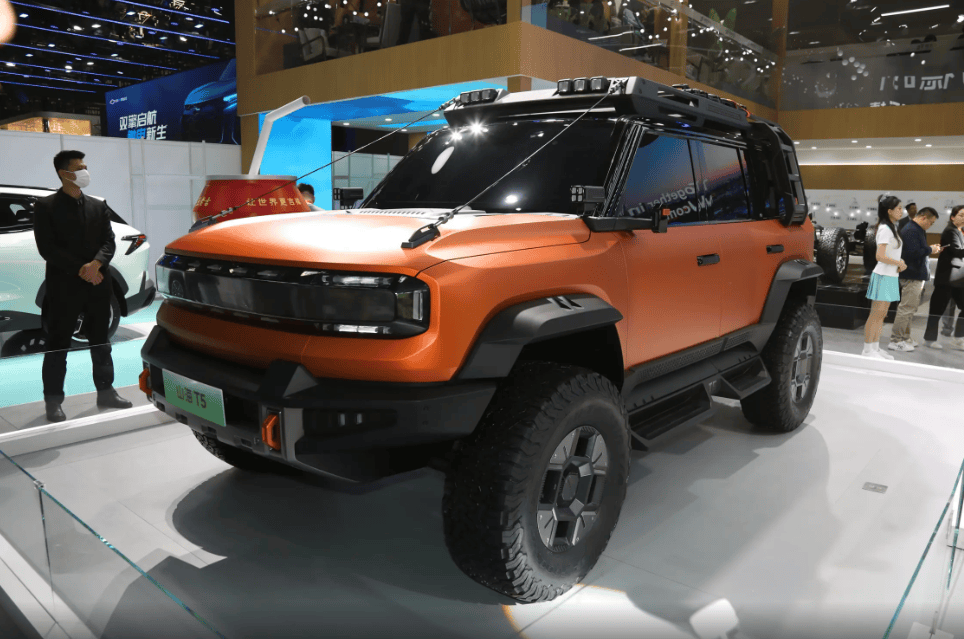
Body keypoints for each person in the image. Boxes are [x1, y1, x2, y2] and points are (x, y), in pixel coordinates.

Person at [33, 151, 133, 422]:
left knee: (101, 341)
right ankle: (53, 401)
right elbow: (47, 248)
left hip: (98, 283)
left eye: (85, 166)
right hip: (63, 286)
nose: (85, 172)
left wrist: (96, 264)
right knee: (58, 345)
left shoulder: (97, 205)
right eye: (79, 167)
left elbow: (109, 241)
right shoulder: (46, 206)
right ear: (64, 173)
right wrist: (82, 269)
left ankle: (106, 391)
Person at [888, 207, 942, 351]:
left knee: (910, 309)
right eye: (930, 222)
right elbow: (912, 254)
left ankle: (905, 337)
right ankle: (896, 340)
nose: (930, 225)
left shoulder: (915, 229)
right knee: (906, 309)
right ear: (923, 218)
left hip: (915, 275)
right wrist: (930, 249)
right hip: (911, 275)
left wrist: (929, 249)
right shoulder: (911, 230)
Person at [861, 196, 906, 359]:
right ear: (889, 211)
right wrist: (898, 262)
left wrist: (898, 262)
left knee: (882, 315)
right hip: (883, 275)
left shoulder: (892, 228)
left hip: (891, 275)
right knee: (876, 314)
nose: (901, 211)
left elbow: (890, 253)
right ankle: (868, 350)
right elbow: (880, 256)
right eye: (899, 208)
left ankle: (875, 347)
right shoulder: (885, 229)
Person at [922, 204, 964, 349]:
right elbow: (957, 251)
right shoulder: (949, 232)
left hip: (959, 280)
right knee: (936, 310)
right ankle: (929, 339)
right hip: (946, 279)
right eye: (961, 215)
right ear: (953, 217)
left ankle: (958, 338)